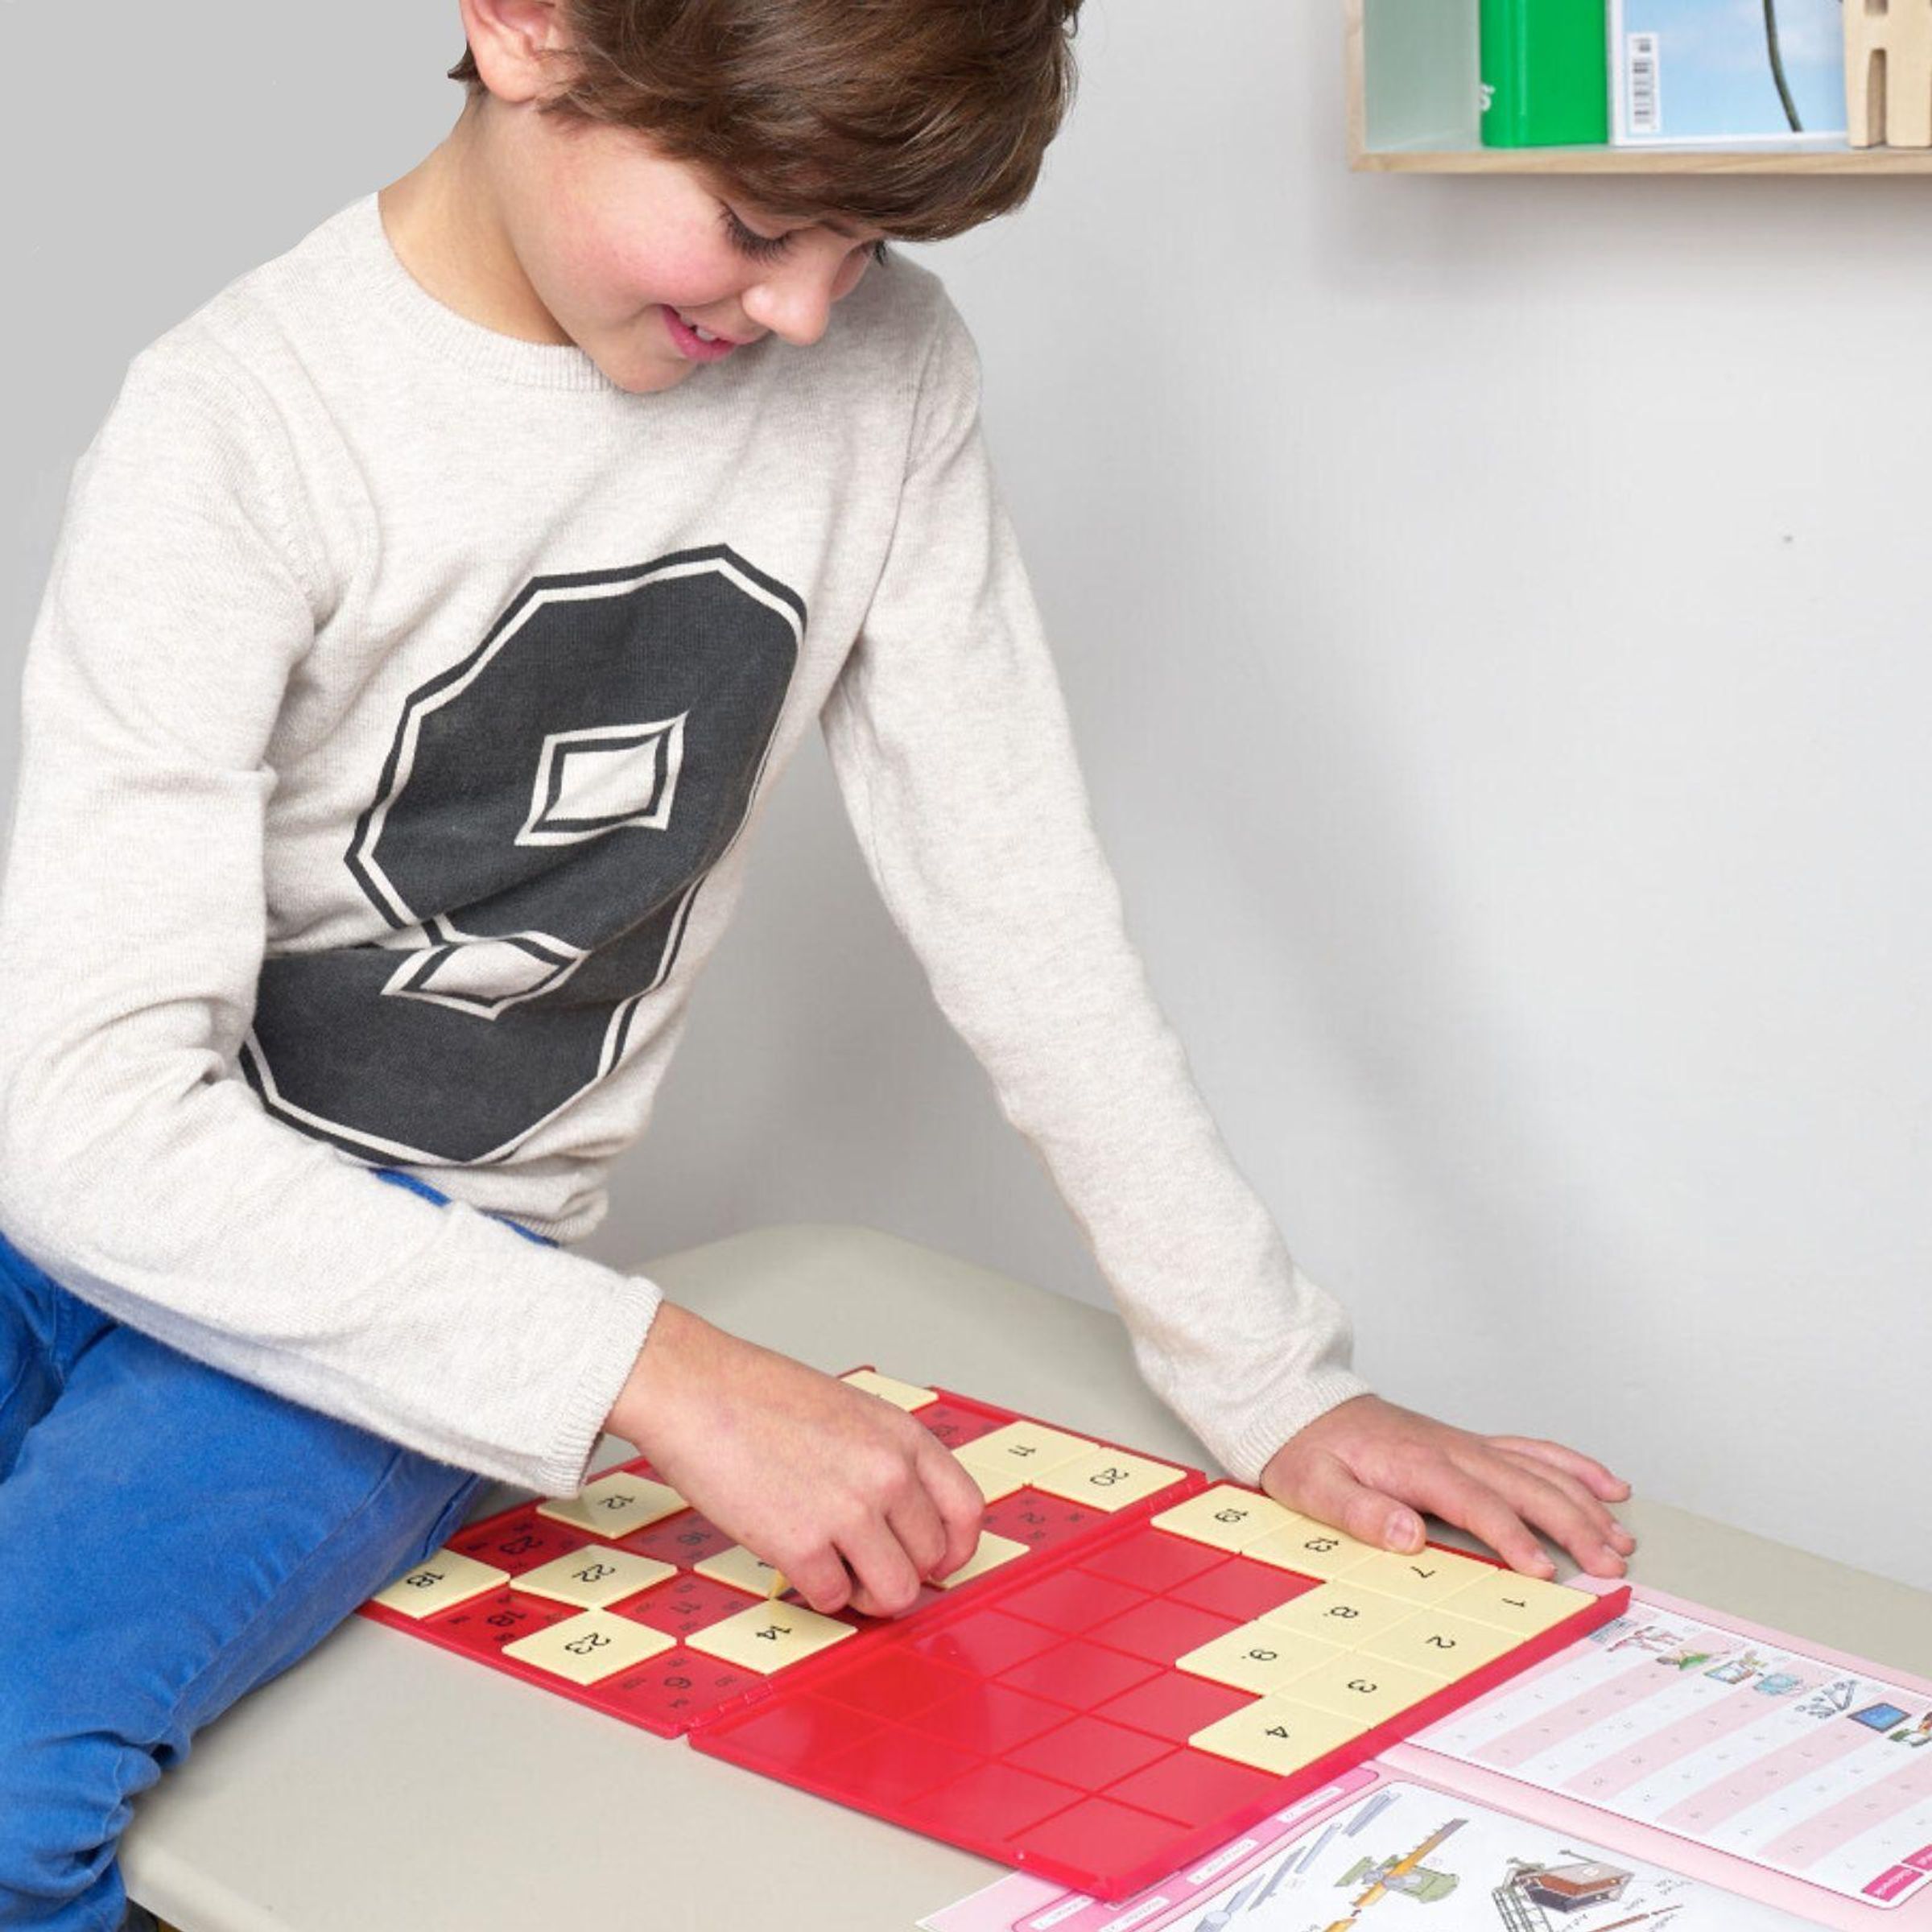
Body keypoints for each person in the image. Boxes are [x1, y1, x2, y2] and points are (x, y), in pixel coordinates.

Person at [0, 2, 1633, 1922]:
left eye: (864, 247)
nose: (803, 310)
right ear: (525, 29)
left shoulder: (883, 375)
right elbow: (81, 1119)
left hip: (418, 1277)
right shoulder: (236, 420)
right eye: (763, 224)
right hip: (86, 1195)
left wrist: (1279, 1384)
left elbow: (1021, 910)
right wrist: (673, 1373)